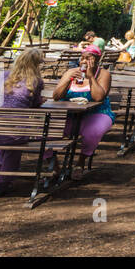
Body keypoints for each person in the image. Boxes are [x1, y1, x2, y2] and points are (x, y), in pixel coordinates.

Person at [0, 48, 46, 197]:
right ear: (36, 65)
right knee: (13, 140)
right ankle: (2, 183)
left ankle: (1, 167)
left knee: (7, 130)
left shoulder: (4, 76)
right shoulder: (36, 81)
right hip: (12, 135)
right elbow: (34, 104)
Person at [46, 45, 115, 174]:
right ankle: (53, 166)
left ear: (97, 60)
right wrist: (68, 79)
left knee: (93, 131)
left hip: (96, 113)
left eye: (89, 58)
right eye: (82, 58)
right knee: (44, 131)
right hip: (69, 115)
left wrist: (91, 77)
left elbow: (98, 97)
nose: (84, 61)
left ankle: (81, 162)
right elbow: (56, 97)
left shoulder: (104, 74)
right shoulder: (71, 72)